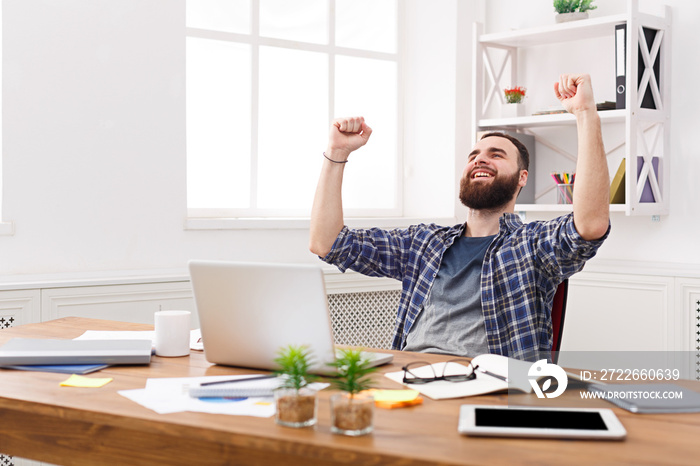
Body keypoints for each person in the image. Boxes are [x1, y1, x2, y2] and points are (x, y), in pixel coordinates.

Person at [310, 74, 610, 362]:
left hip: (489, 387)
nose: (480, 158)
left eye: (496, 154)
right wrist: (336, 152)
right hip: (410, 375)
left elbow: (589, 224)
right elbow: (327, 243)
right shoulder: (423, 243)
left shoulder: (532, 245)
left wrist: (585, 114)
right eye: (474, 155)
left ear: (522, 178)